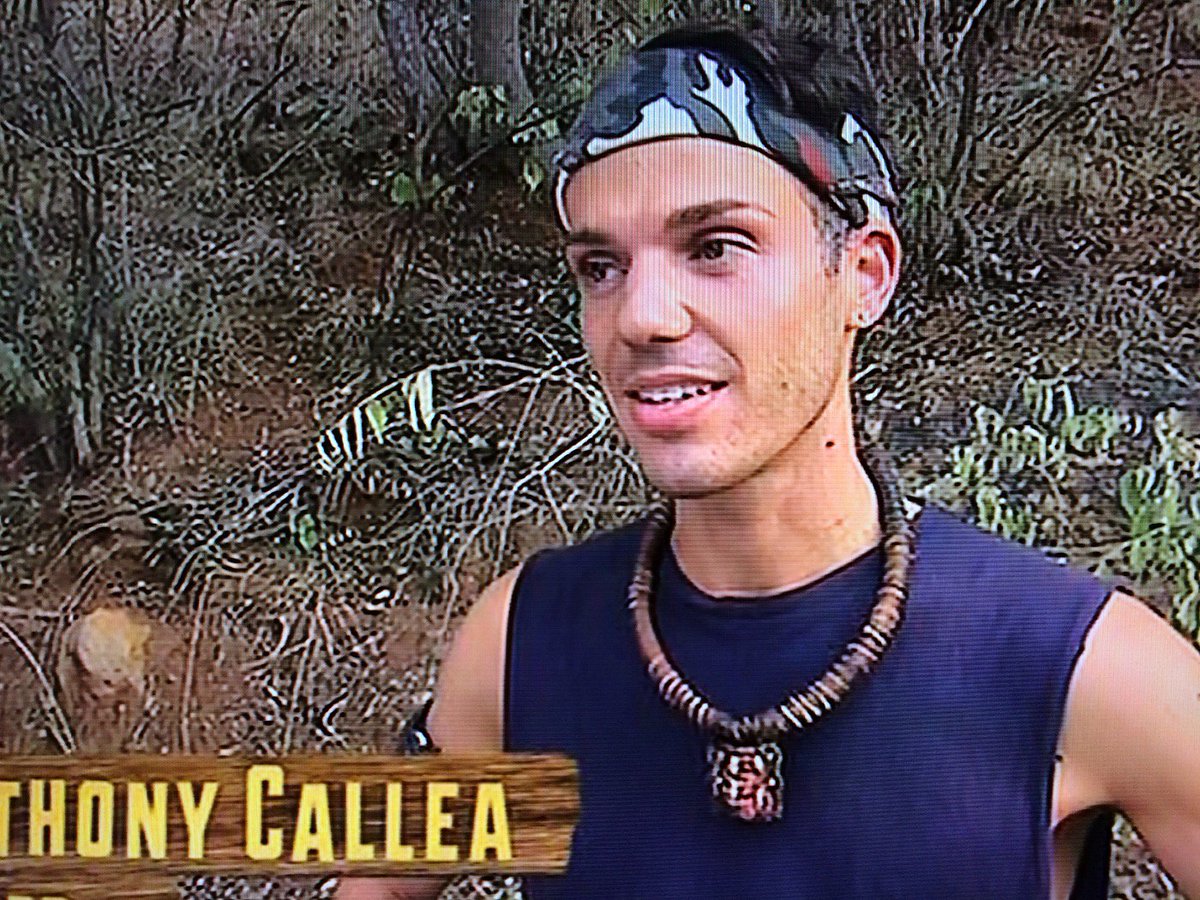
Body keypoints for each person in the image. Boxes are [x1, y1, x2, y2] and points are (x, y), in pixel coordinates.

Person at [338, 19, 1200, 900]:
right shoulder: (523, 641)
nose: (642, 316)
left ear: (864, 274)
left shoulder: (1079, 667)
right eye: (601, 266)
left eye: (715, 247)